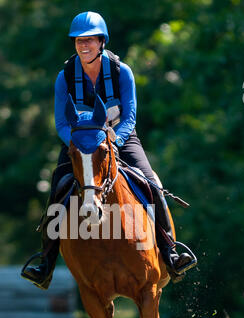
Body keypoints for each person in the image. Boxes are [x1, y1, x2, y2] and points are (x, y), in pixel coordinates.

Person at [21, 11, 197, 289]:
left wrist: (112, 143)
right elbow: (61, 123)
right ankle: (45, 262)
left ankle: (170, 252)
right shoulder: (64, 77)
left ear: (102, 42)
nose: (83, 46)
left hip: (121, 140)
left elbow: (130, 118)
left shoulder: (120, 72)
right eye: (79, 41)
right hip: (79, 145)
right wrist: (77, 144)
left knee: (152, 183)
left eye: (90, 40)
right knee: (58, 188)